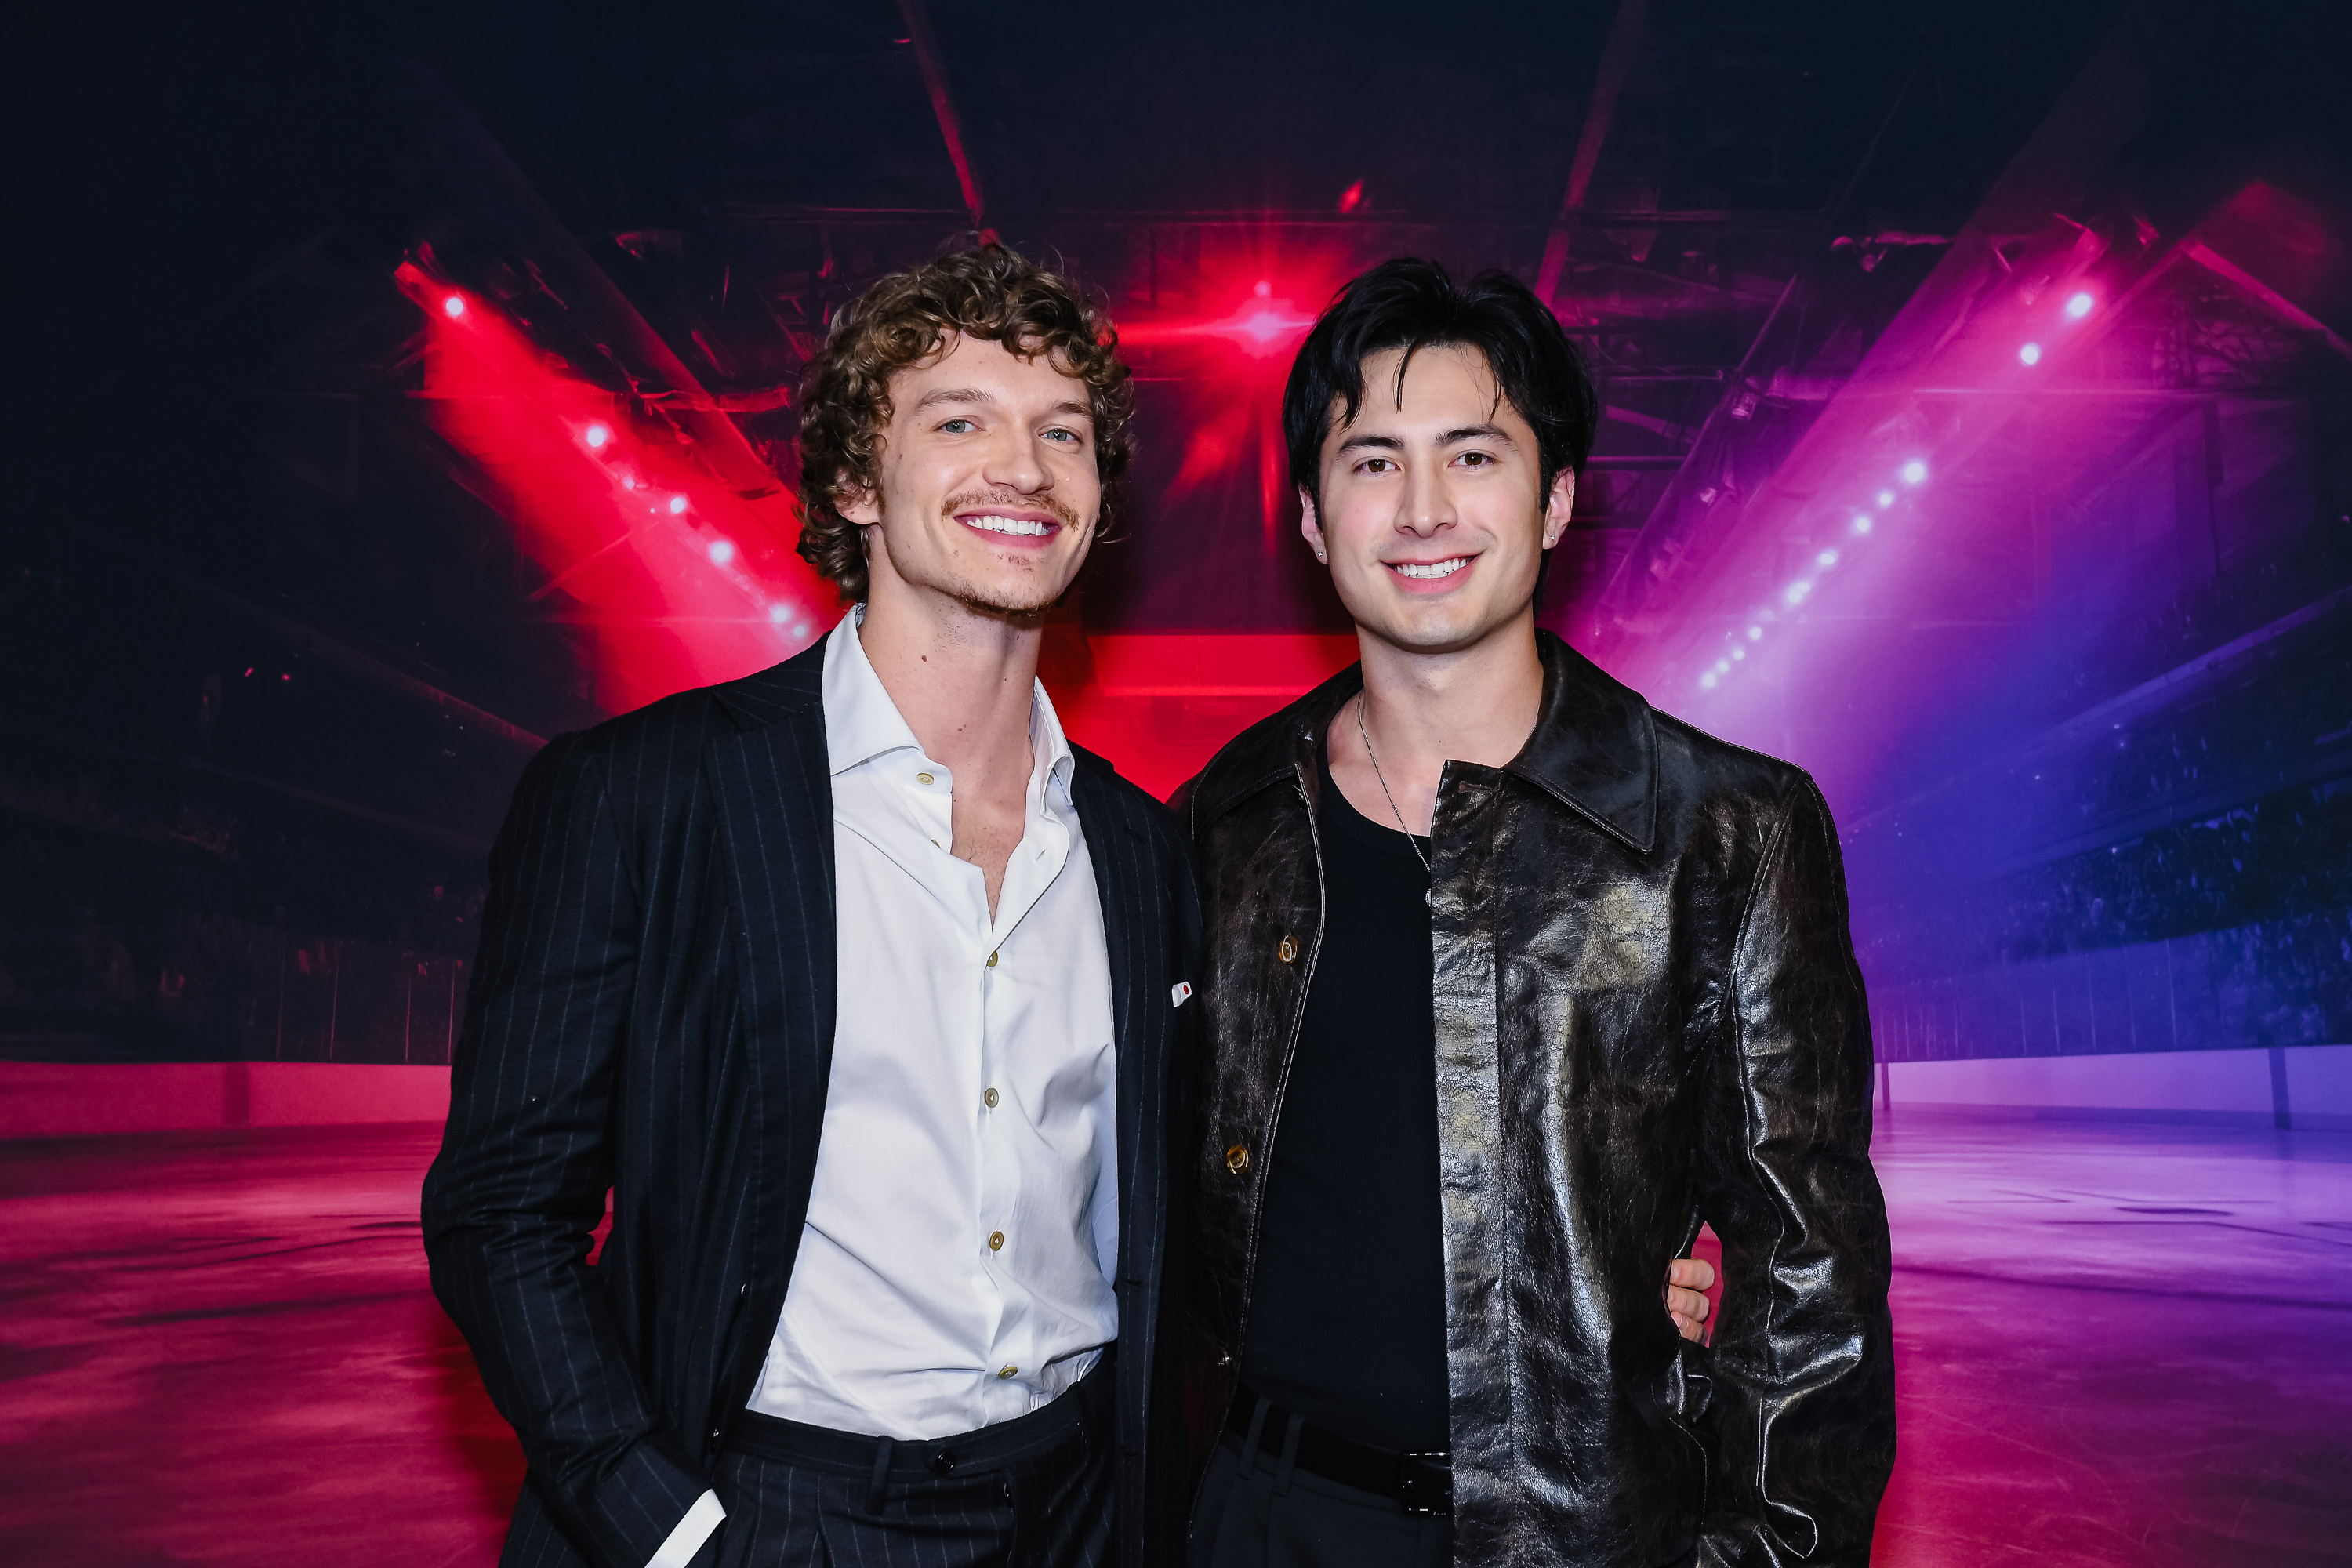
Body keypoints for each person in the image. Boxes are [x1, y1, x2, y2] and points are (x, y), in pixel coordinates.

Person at [423, 245, 1199, 1568]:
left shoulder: (1142, 850)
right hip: (775, 1512)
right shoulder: (642, 796)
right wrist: (662, 1527)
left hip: (1076, 1511)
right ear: (854, 480)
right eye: (960, 421)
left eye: (1061, 432)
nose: (1023, 465)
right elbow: (500, 1212)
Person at [1175, 259, 1896, 1568]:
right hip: (1256, 1516)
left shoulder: (1729, 831)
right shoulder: (1224, 823)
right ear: (1310, 516)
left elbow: (1815, 1294)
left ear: (1558, 498)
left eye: (1474, 455)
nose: (1425, 508)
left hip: (1579, 1536)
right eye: (1374, 462)